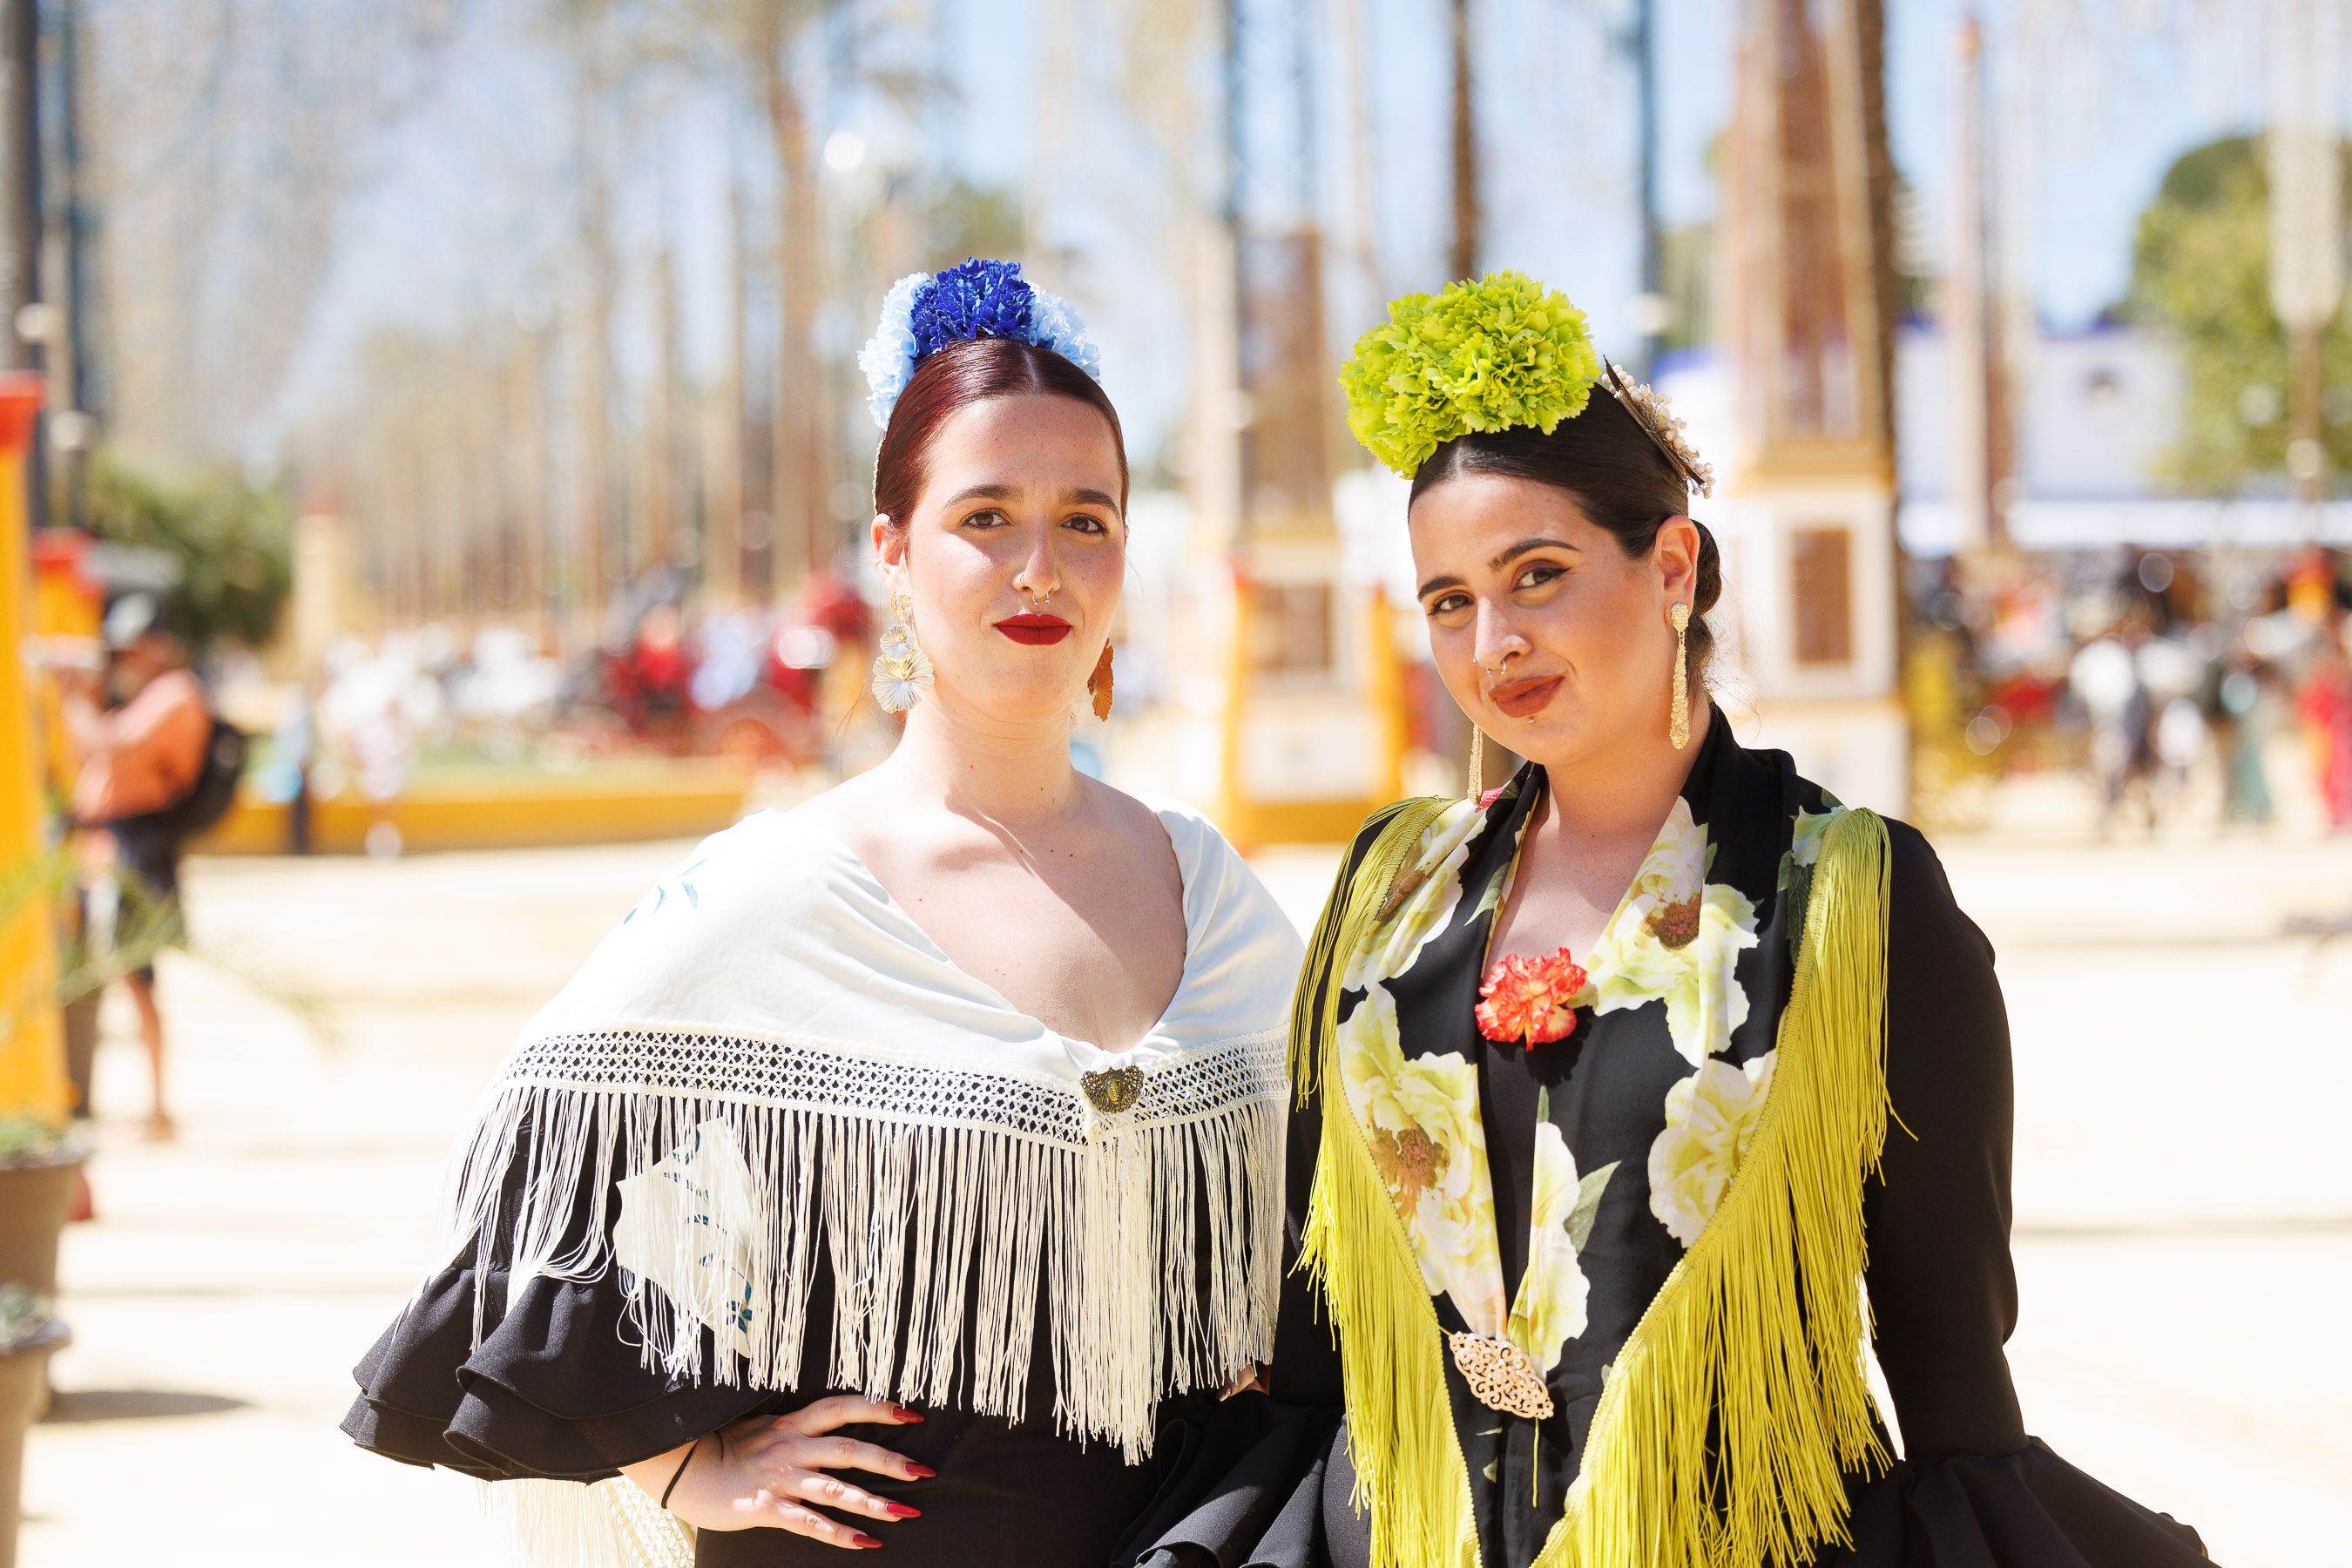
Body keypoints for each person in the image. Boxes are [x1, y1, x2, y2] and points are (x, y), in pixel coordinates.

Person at [1177, 274, 2207, 1568]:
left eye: (1538, 576)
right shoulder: (1392, 888)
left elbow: (1950, 1368)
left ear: (1671, 566)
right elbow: (1312, 1332)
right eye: (1449, 600)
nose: (1494, 644)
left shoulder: (1848, 898)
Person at [343, 258, 1304, 1566]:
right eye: (986, 517)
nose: (1041, 567)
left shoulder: (1212, 887)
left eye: (1087, 521)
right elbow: (547, 1171)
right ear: (893, 552)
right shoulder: (781, 887)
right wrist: (684, 1465)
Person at [60, 592, 213, 1140]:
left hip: (137, 846)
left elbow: (110, 745)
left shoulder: (176, 694)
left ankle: (159, 1106)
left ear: (159, 646)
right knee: (96, 975)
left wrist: (70, 695)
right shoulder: (146, 696)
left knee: (140, 978)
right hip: (107, 843)